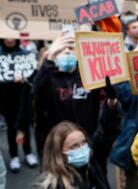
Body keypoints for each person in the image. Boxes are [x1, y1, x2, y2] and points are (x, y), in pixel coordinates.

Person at [27, 78, 121, 189]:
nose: (82, 149)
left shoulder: (93, 166)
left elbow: (106, 132)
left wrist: (111, 103)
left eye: (83, 143)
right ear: (58, 153)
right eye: (73, 147)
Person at [32, 31, 103, 159]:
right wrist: (49, 59)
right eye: (61, 49)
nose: (67, 52)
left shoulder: (88, 75)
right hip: (57, 144)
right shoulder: (48, 77)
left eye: (71, 48)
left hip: (85, 140)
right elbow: (36, 94)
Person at [0, 39, 39, 172]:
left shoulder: (25, 54)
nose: (10, 40)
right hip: (5, 98)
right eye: (7, 37)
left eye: (12, 37)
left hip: (23, 97)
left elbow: (34, 75)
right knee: (11, 127)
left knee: (25, 126)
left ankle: (28, 153)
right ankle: (14, 156)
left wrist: (25, 79)